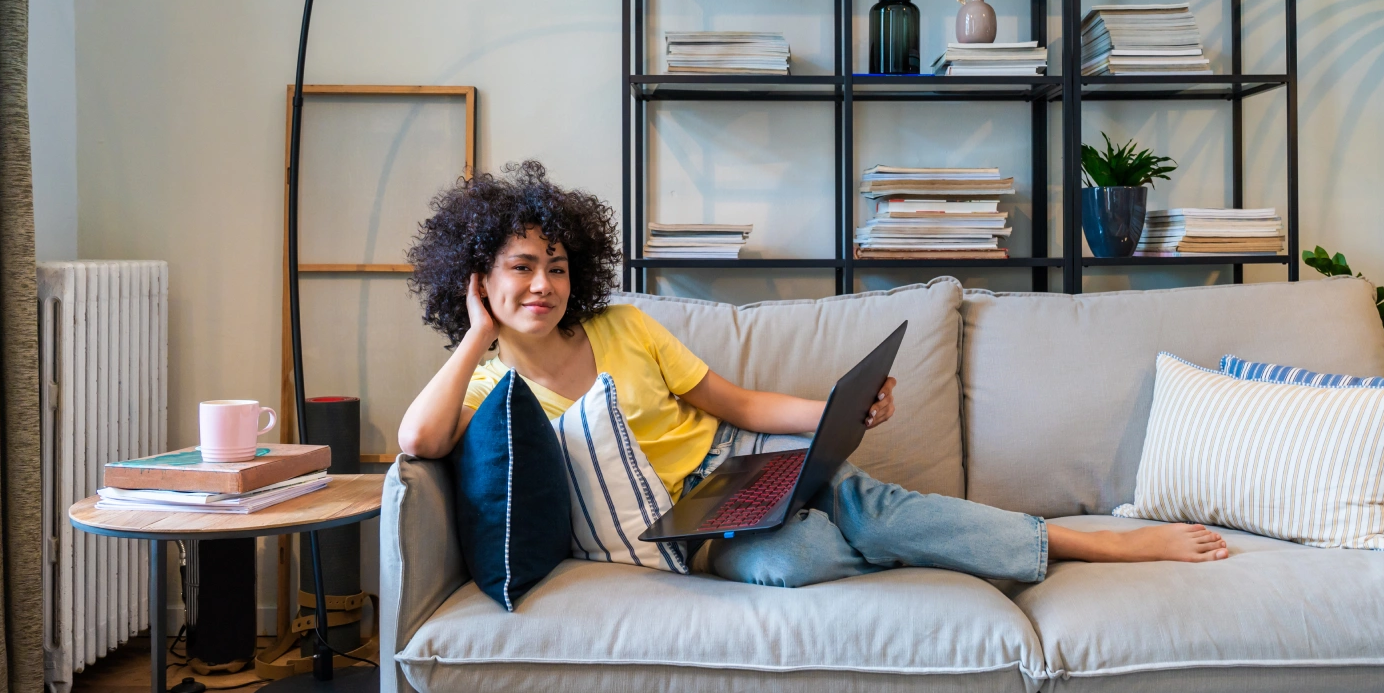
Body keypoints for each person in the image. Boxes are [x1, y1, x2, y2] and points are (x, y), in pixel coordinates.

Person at [397, 161, 1229, 587]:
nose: (543, 284)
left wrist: (841, 412)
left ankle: (1084, 543)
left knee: (867, 499)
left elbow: (734, 402)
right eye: (519, 268)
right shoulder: (486, 387)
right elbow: (416, 439)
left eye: (556, 265)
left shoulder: (624, 326)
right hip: (699, 537)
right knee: (805, 560)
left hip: (744, 464)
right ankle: (930, 542)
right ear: (477, 276)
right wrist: (476, 335)